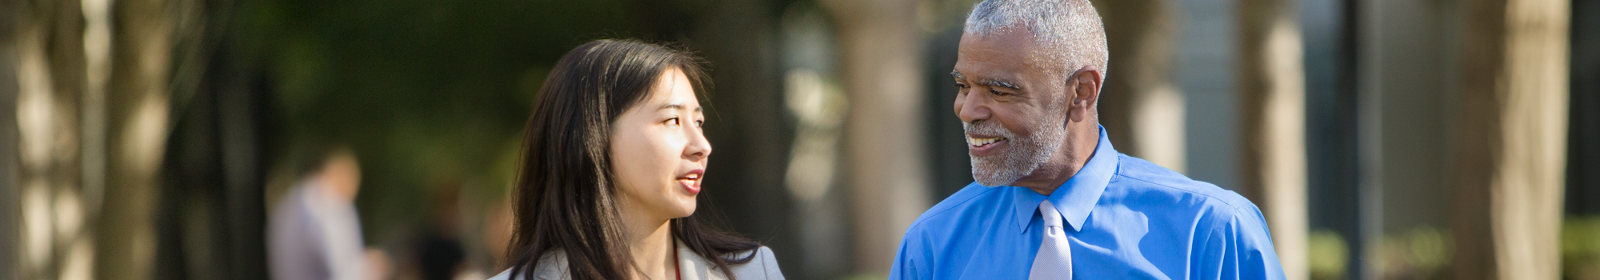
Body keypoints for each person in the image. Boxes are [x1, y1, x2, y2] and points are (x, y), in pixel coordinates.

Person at [890, 0, 1287, 279]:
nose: (967, 109)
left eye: (998, 90)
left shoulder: (1212, 233)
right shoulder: (932, 246)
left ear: (1081, 92)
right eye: (963, 86)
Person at [492, 39, 785, 280]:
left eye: (698, 122)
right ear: (593, 137)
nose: (702, 146)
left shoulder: (752, 271)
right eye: (672, 120)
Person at [268, 147, 391, 280]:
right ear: (343, 174)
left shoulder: (287, 203)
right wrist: (371, 266)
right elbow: (341, 268)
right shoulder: (330, 204)